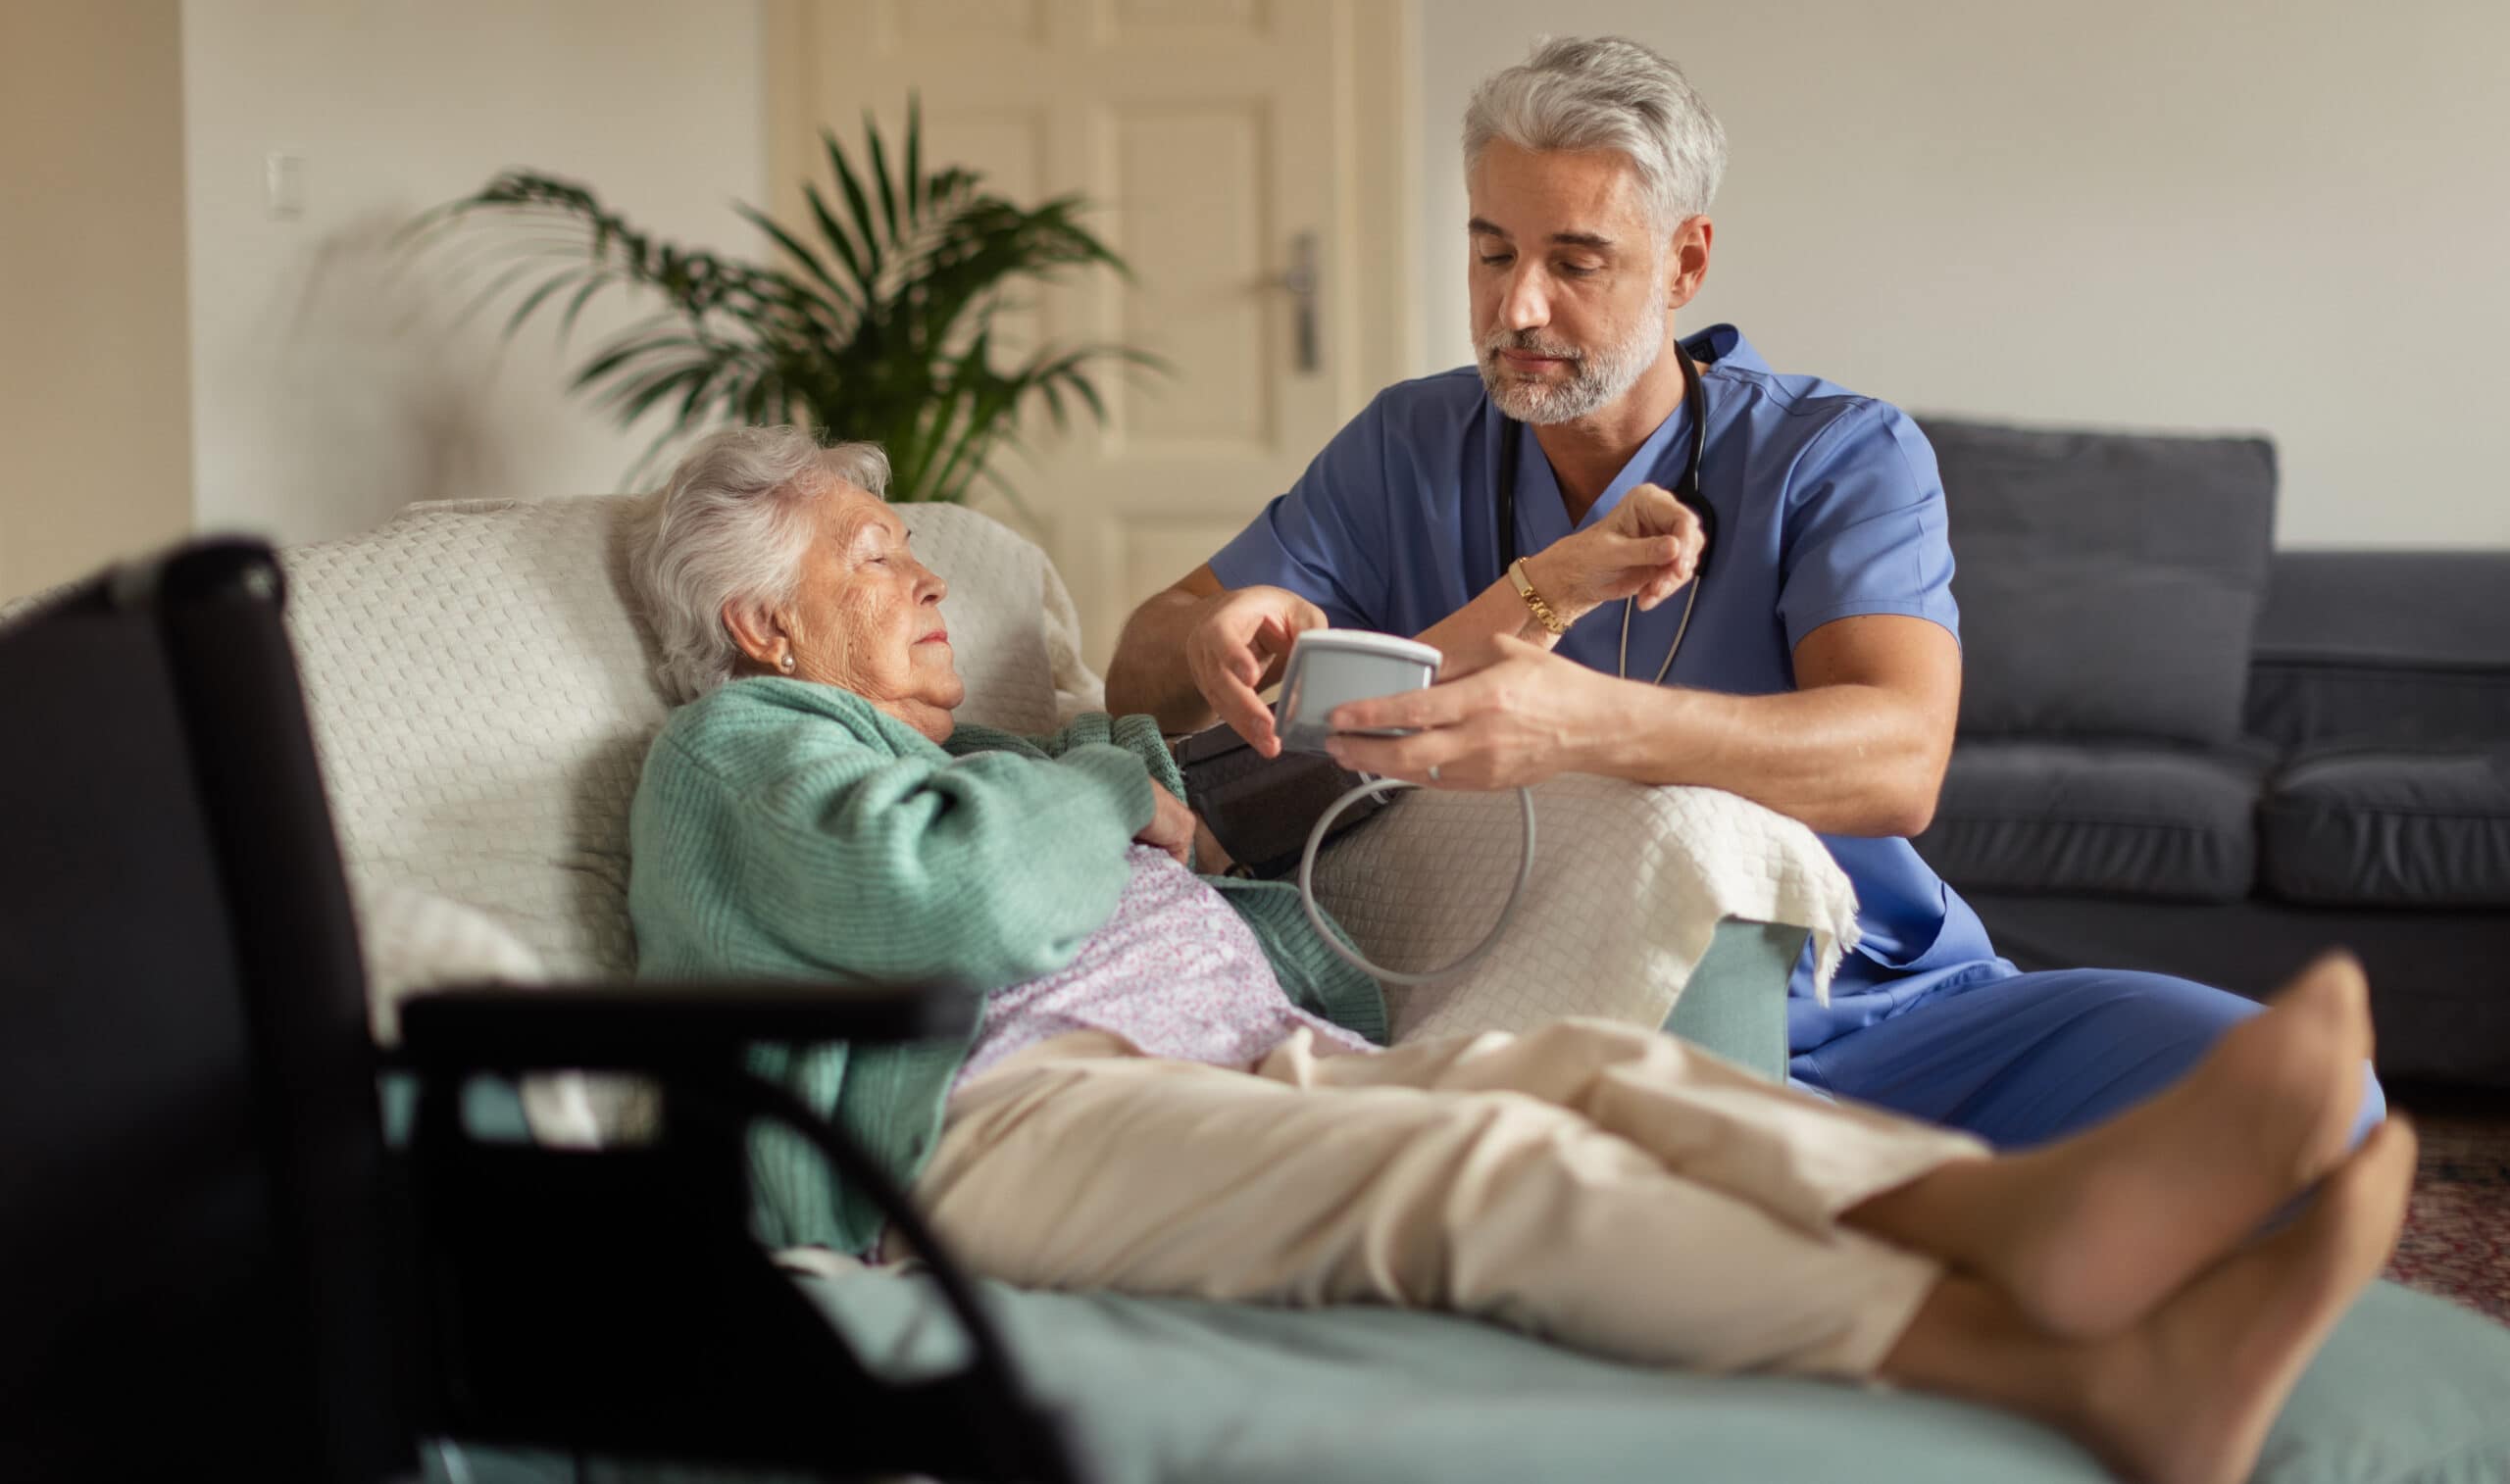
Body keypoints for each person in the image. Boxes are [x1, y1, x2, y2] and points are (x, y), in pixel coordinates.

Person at [623, 425, 2411, 1484]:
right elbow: (971, 907)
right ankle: (2071, 1375)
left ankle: (2010, 1220)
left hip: (1236, 1069)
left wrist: (1159, 793)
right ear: (768, 622)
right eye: (876, 558)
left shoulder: (989, 766)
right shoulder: (746, 757)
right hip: (980, 1129)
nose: (927, 577)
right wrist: (1113, 782)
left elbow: (1206, 807)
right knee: (1486, 1164)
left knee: (1601, 1073)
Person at [1103, 34, 2386, 1152]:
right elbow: (1141, 668)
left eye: (1576, 259)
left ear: (1686, 262)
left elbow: (1898, 759)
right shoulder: (1407, 444)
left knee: (2313, 1098)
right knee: (1700, 1187)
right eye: (1491, 252)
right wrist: (1220, 633)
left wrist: (1583, 722)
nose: (1518, 306)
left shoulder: (1838, 453)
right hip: (1559, 1021)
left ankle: (1897, 1206)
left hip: (1882, 1005)